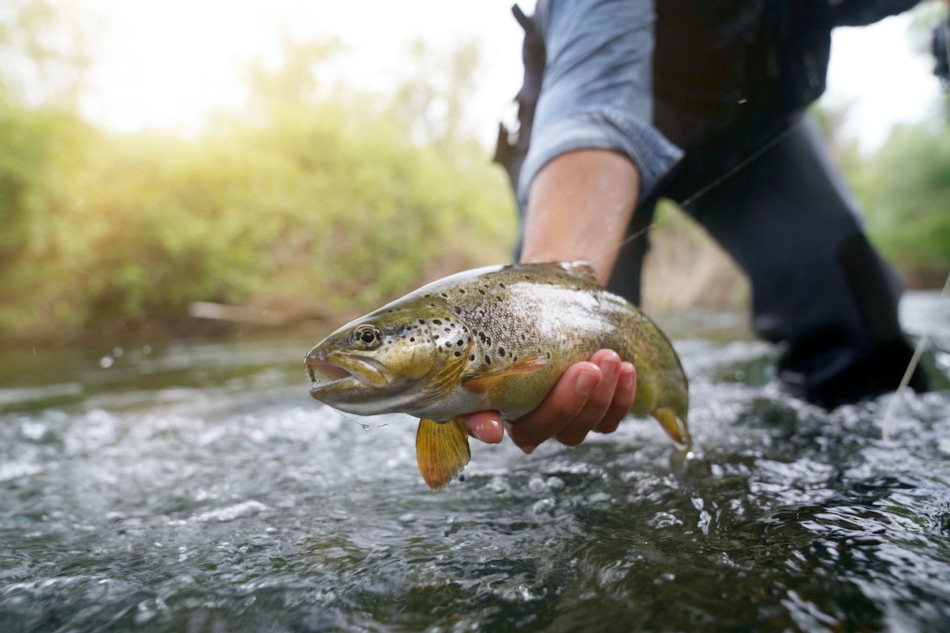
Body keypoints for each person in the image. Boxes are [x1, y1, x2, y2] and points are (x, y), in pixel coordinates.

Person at [462, 0, 929, 452]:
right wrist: (541, 313)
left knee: (855, 319)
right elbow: (592, 109)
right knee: (560, 381)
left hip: (749, 127)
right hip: (590, 131)